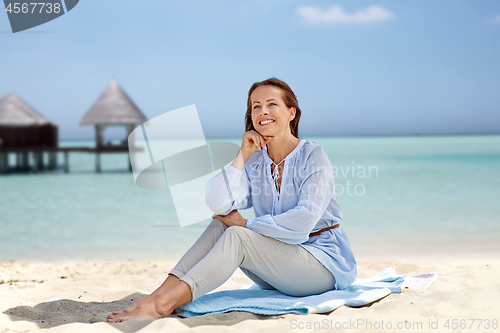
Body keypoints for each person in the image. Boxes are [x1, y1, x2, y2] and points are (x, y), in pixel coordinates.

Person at [107, 77, 357, 322]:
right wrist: (242, 154)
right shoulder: (256, 161)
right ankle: (155, 297)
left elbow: (303, 222)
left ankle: (164, 306)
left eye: (272, 104)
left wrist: (246, 225)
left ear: (291, 113)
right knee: (222, 224)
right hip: (280, 265)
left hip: (322, 264)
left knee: (237, 234)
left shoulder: (313, 155)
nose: (263, 111)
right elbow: (218, 205)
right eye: (255, 106)